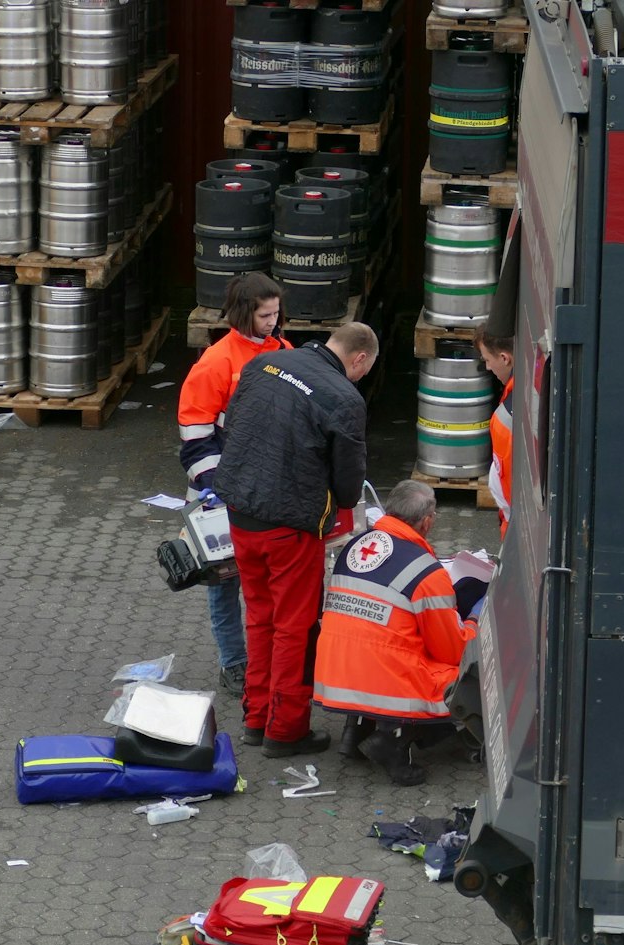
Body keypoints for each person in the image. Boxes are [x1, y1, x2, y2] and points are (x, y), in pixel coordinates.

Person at [213, 322, 378, 757]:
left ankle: (255, 717)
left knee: (259, 616)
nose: (358, 378)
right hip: (290, 525)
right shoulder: (344, 398)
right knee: (294, 628)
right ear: (359, 358)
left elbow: (233, 426)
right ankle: (285, 730)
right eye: (363, 370)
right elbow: (347, 487)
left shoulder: (265, 362)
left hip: (240, 513)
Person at [313, 480, 478, 786]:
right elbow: (451, 650)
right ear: (427, 521)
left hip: (334, 674)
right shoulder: (426, 573)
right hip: (381, 681)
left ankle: (355, 733)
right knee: (461, 678)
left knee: (382, 642)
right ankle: (393, 743)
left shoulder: (355, 547)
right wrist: (474, 622)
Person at [178, 273, 289, 697]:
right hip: (220, 496)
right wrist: (219, 487)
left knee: (265, 583)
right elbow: (194, 436)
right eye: (265, 315)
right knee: (224, 585)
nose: (273, 322)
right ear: (244, 313)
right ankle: (234, 663)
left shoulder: (282, 350)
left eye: (276, 313)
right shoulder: (215, 363)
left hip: (264, 493)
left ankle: (266, 659)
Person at [477, 325, 515, 535]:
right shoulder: (514, 394)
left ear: (504, 358)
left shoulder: (509, 413)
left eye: (487, 360)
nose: (488, 367)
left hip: (512, 522)